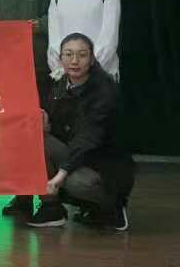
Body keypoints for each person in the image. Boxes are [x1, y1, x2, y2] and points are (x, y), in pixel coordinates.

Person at [0, 0, 65, 218]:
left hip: (41, 71)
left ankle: (50, 199)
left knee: (42, 134)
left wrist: (39, 25)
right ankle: (21, 196)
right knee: (14, 136)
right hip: (8, 74)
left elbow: (63, 14)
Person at [27, 33, 134, 231]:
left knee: (76, 182)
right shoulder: (60, 84)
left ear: (92, 59)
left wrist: (59, 176)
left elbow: (88, 137)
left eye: (82, 55)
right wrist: (44, 118)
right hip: (75, 156)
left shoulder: (105, 90)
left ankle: (111, 208)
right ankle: (51, 208)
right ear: (60, 58)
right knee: (35, 137)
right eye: (68, 54)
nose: (74, 61)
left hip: (103, 165)